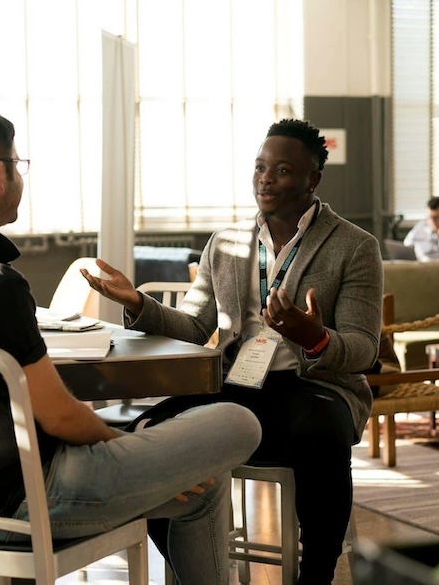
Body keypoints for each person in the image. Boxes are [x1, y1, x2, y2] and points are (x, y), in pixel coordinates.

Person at [0, 102, 262, 585]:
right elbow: (58, 415)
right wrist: (127, 444)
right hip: (37, 499)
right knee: (237, 420)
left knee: (203, 485)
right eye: (18, 165)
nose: (19, 176)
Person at [82, 118, 384, 585]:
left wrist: (314, 337)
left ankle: (317, 573)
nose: (265, 178)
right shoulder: (224, 243)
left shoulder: (354, 246)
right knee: (153, 430)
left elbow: (364, 349)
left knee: (320, 432)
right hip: (238, 384)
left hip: (315, 387)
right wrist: (139, 304)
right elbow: (197, 326)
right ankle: (192, 569)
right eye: (260, 167)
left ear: (313, 179)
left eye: (282, 169)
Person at [403, 196, 439, 261]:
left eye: (436, 217)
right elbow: (406, 246)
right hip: (421, 266)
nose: (433, 221)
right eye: (430, 217)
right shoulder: (420, 227)